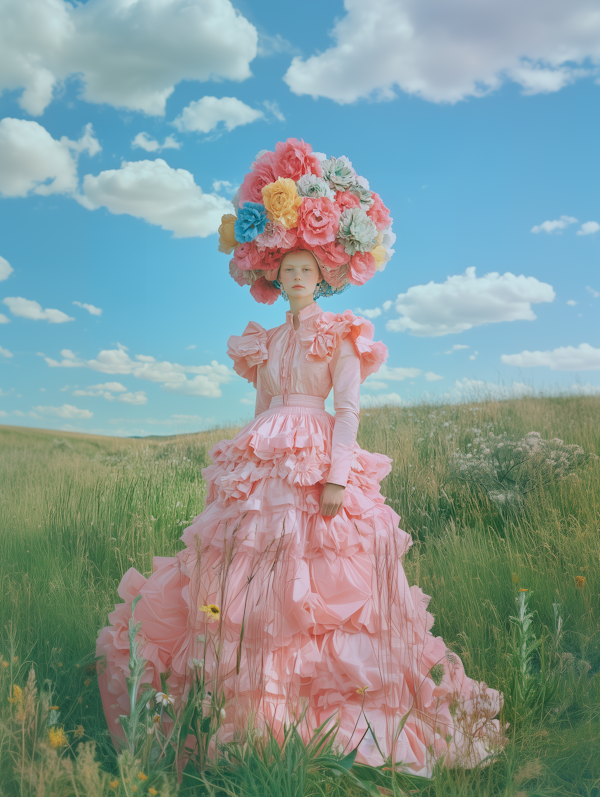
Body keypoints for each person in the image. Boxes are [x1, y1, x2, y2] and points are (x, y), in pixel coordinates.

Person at [97, 140, 504, 776]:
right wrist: (245, 470)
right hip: (267, 464)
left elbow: (349, 411)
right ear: (272, 278)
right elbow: (263, 408)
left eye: (305, 271)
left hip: (318, 464)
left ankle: (336, 725)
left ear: (324, 275)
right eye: (284, 271)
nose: (294, 279)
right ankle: (255, 726)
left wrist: (338, 476)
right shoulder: (267, 340)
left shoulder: (341, 335)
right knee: (249, 584)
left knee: (322, 588)